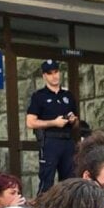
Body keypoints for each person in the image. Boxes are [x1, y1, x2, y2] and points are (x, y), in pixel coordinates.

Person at [26, 60, 79, 193]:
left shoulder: (68, 95)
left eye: (56, 72)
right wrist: (53, 123)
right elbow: (30, 122)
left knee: (69, 182)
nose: (54, 76)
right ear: (44, 76)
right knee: (47, 180)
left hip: (67, 141)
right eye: (50, 73)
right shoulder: (39, 96)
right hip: (50, 141)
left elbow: (77, 123)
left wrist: (73, 120)